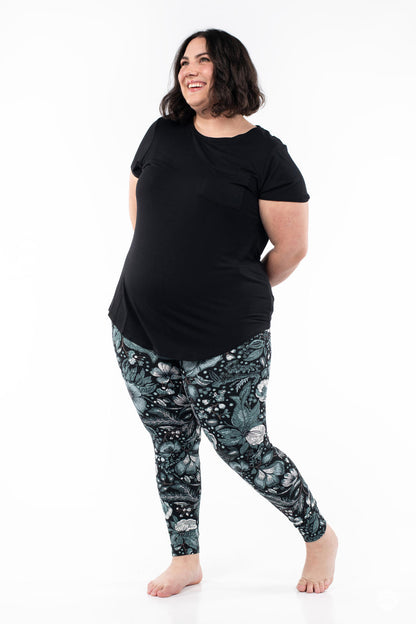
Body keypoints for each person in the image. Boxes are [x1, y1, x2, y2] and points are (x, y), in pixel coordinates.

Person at [108, 28, 338, 598]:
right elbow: (140, 206)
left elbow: (292, 248)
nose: (189, 69)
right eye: (183, 61)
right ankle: (185, 558)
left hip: (225, 335)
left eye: (203, 60)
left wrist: (226, 288)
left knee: (243, 447)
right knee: (171, 444)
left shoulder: (266, 155)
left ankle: (319, 536)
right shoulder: (162, 133)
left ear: (230, 69)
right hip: (137, 325)